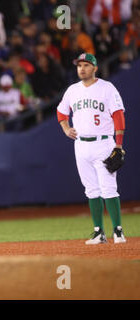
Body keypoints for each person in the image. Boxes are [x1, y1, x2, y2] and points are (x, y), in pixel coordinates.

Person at [56, 53, 127, 245]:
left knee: (109, 188)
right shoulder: (72, 90)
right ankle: (98, 232)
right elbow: (61, 112)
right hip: (81, 145)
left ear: (95, 68)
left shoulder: (106, 88)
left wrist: (118, 145)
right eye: (79, 65)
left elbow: (118, 115)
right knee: (91, 189)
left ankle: (118, 231)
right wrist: (65, 129)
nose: (82, 68)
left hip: (104, 143)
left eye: (86, 65)